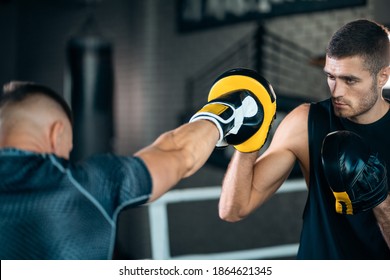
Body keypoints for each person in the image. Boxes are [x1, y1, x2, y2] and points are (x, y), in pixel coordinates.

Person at [0, 68, 275, 259]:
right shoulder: (87, 184)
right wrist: (235, 108)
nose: (68, 153)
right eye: (68, 145)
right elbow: (179, 153)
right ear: (56, 133)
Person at [219, 19, 390, 259]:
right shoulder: (305, 122)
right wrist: (249, 141)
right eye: (331, 77)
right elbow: (233, 209)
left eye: (350, 80)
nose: (336, 92)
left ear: (383, 76)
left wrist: (379, 200)